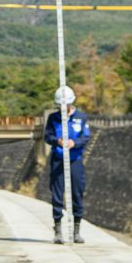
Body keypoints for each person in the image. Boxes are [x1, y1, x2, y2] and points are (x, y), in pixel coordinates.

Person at [43, 85, 90, 244]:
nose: (63, 108)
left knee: (77, 193)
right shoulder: (53, 118)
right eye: (60, 105)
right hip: (58, 159)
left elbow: (85, 137)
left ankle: (76, 231)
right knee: (57, 194)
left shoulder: (81, 117)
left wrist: (73, 143)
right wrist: (58, 141)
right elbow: (47, 136)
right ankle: (57, 231)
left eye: (65, 105)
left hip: (75, 160)